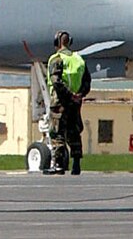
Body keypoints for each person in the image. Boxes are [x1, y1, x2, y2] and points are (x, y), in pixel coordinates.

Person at [45, 30, 91, 175]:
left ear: (57, 42)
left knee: (57, 132)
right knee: (74, 132)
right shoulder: (79, 59)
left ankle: (58, 165)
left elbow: (56, 81)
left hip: (60, 101)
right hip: (75, 102)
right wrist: (79, 95)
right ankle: (76, 164)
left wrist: (69, 95)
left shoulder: (56, 59)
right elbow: (87, 81)